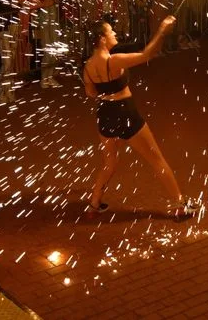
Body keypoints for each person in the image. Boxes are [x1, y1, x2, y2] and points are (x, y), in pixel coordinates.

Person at [82, 15, 200, 217]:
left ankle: (94, 203)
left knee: (110, 162)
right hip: (125, 113)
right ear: (102, 39)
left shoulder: (88, 67)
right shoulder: (114, 60)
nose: (114, 33)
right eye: (110, 31)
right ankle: (180, 205)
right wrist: (162, 30)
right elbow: (147, 54)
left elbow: (91, 93)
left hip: (105, 115)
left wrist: (106, 87)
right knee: (156, 159)